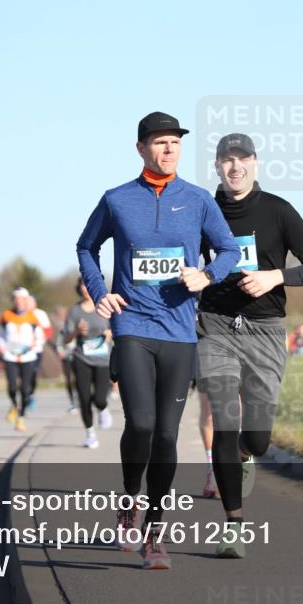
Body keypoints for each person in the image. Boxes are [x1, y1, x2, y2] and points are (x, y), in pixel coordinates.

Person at [77, 111, 240, 569]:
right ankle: (129, 501)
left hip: (179, 332)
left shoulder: (199, 200)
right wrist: (99, 293)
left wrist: (206, 275)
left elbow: (228, 250)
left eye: (175, 143)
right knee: (142, 425)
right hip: (132, 327)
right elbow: (86, 247)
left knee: (167, 434)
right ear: (141, 149)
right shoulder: (116, 199)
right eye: (160, 142)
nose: (169, 150)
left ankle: (155, 533)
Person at [198, 133, 303, 558]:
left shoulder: (278, 211)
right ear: (217, 166)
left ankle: (245, 453)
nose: (234, 167)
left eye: (242, 159)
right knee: (223, 415)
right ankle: (233, 524)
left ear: (255, 163)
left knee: (256, 437)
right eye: (226, 160)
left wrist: (276, 277)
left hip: (266, 329)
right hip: (216, 326)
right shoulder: (203, 210)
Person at [63, 278, 113, 449]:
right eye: (82, 285)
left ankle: (103, 408)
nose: (86, 289)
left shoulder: (104, 306)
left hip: (103, 359)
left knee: (99, 398)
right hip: (81, 357)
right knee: (84, 398)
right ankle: (90, 434)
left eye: (87, 284)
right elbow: (65, 338)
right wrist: (76, 331)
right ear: (79, 288)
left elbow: (116, 328)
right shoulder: (74, 311)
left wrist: (109, 334)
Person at [0, 288, 44, 432]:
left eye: (21, 299)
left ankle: (21, 418)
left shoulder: (32, 317)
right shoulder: (6, 315)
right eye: (16, 299)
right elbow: (0, 334)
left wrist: (35, 345)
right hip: (10, 355)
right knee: (12, 387)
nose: (18, 302)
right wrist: (2, 347)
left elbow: (40, 336)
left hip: (27, 356)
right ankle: (13, 405)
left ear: (26, 301)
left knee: (25, 388)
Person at [24, 296, 51, 412]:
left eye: (29, 302)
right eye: (25, 302)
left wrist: (40, 338)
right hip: (22, 351)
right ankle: (24, 396)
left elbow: (48, 332)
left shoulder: (40, 314)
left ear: (35, 303)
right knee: (24, 375)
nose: (27, 304)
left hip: (37, 349)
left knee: (33, 373)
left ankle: (31, 394)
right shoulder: (20, 314)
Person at [54, 306, 78, 413]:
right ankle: (72, 402)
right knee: (68, 380)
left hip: (79, 357)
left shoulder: (79, 327)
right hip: (67, 358)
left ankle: (80, 400)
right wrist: (60, 351)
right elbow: (59, 343)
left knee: (78, 380)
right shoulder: (64, 330)